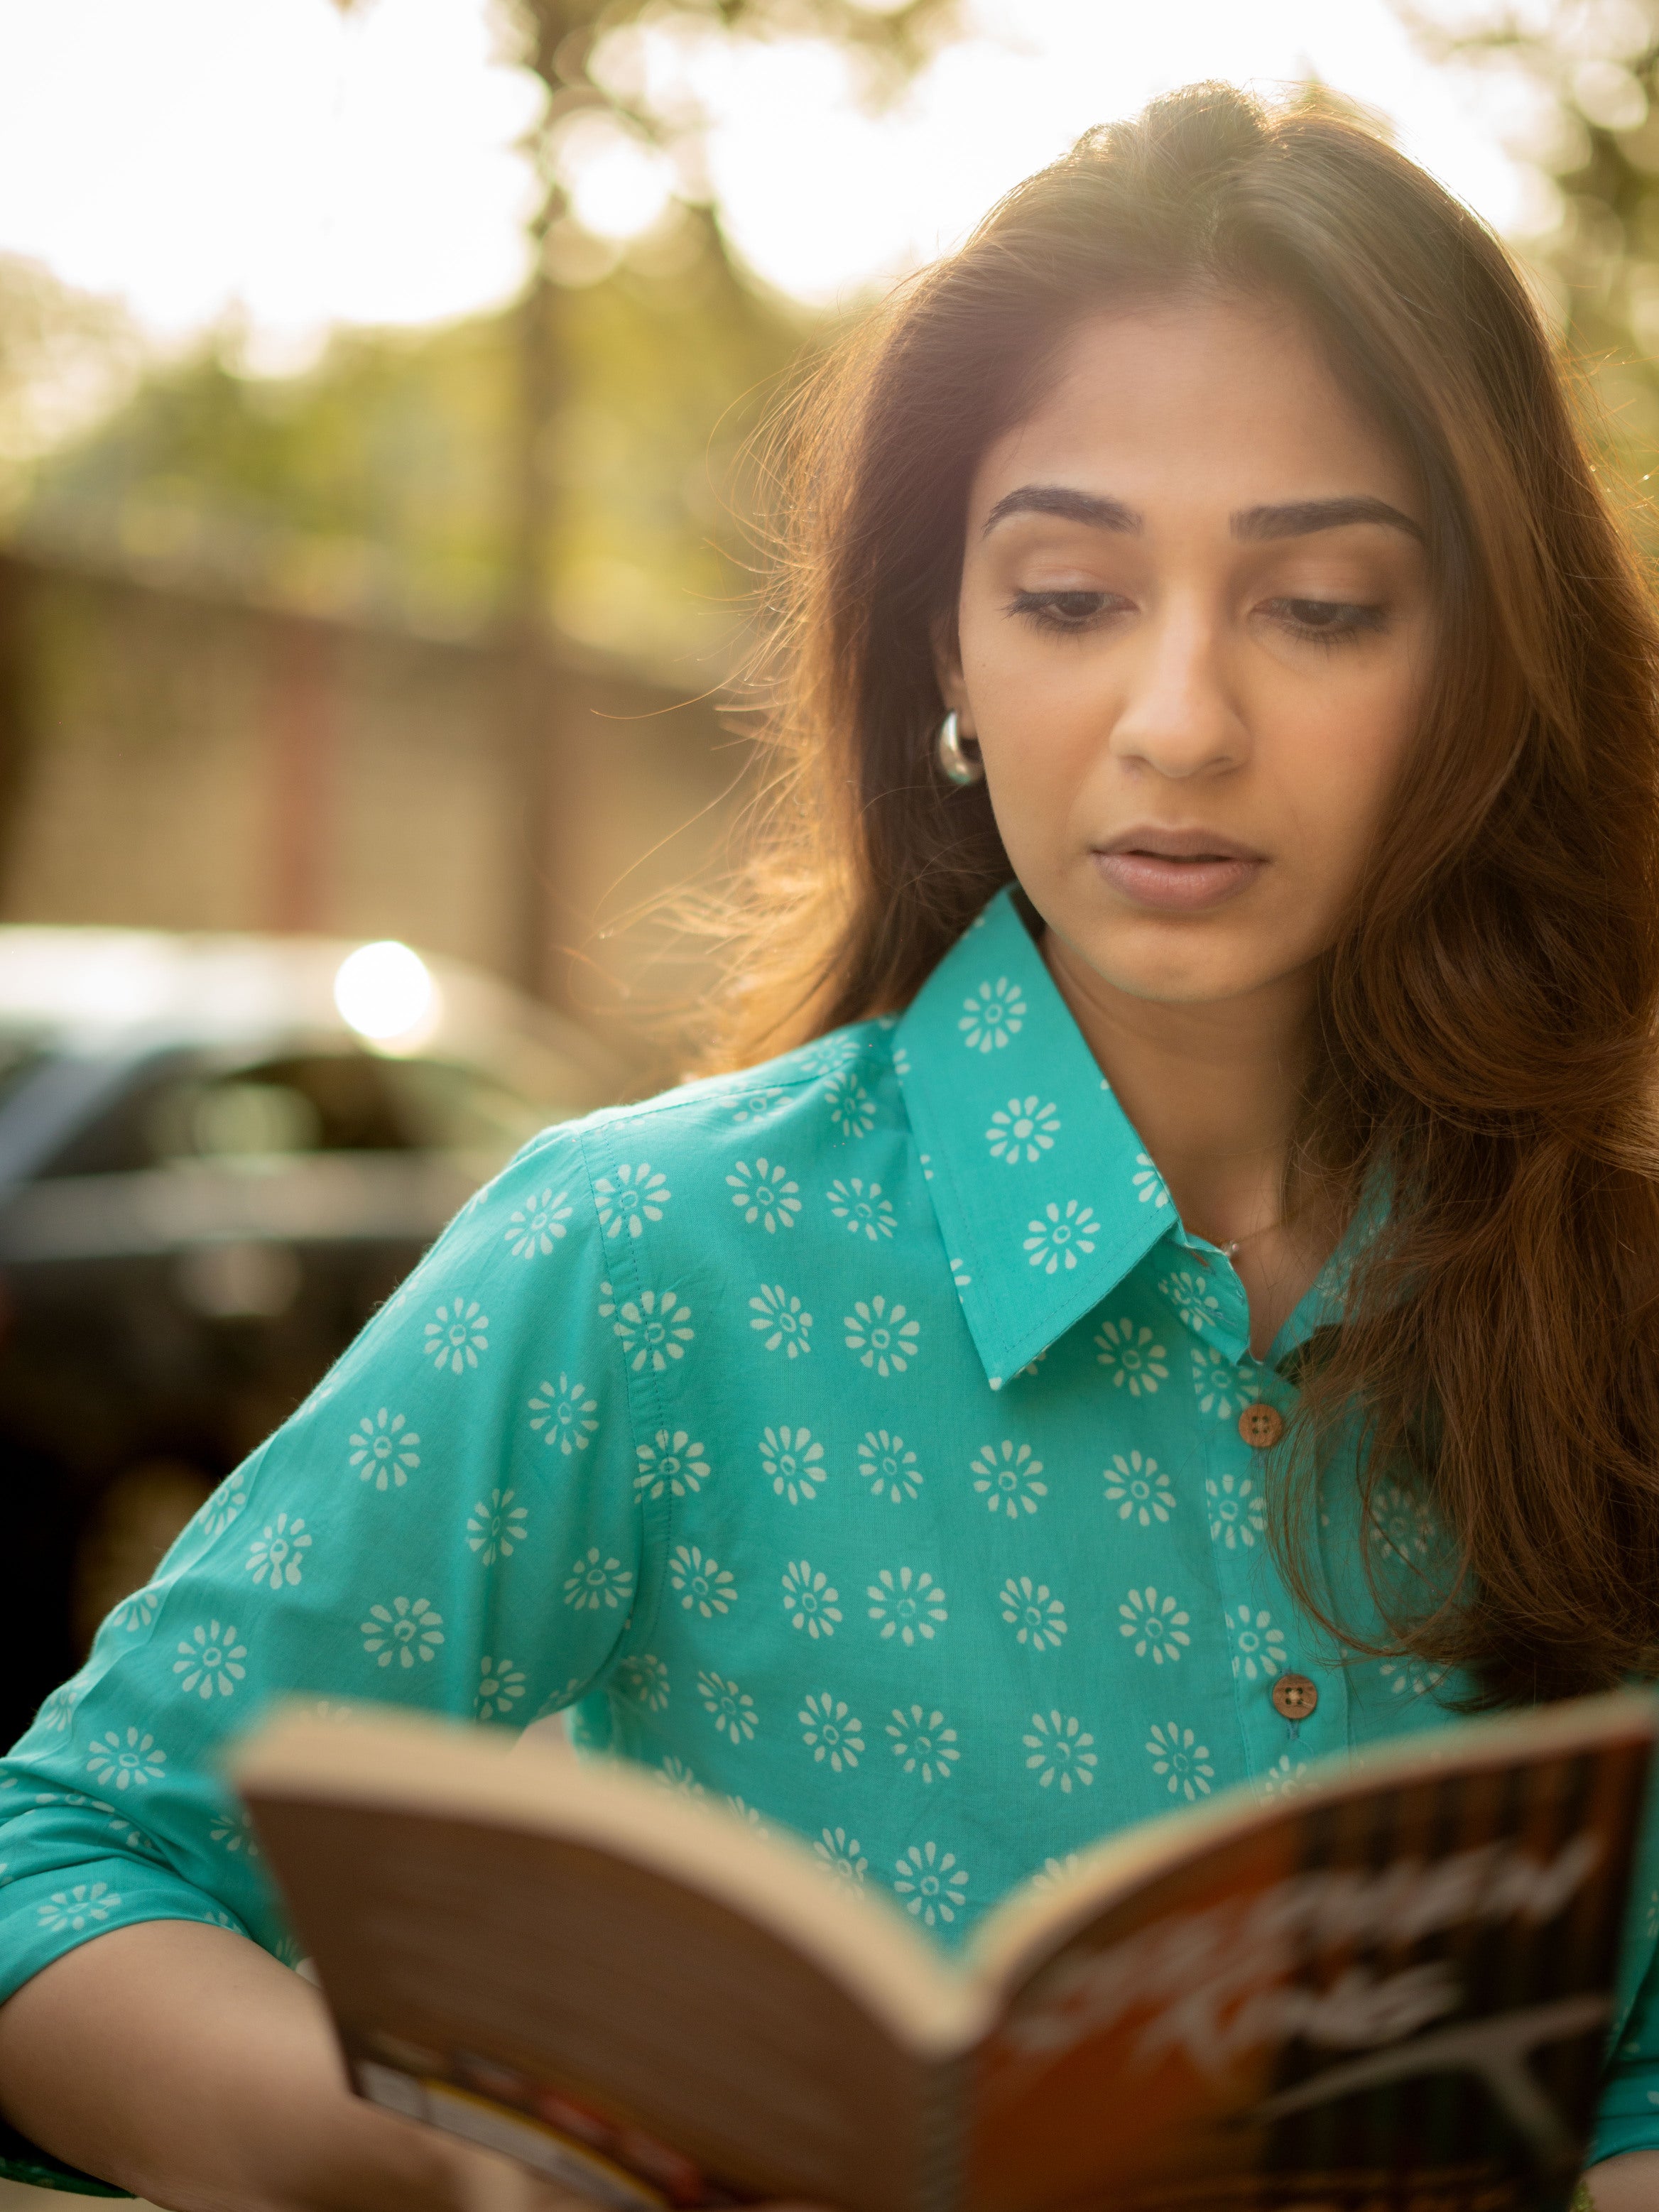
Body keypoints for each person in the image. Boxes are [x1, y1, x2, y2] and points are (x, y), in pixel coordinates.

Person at [0, 78, 1655, 2212]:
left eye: (1320, 606)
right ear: (945, 649)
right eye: (1069, 595)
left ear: (1481, 663)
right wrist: (418, 2169)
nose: (1178, 719)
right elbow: (66, 1858)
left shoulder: (1604, 1308)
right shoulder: (651, 1260)